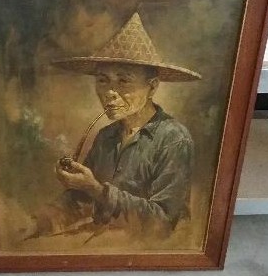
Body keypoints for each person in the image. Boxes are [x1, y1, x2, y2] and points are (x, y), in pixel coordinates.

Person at [51, 12, 201, 233]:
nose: (109, 93)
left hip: (146, 247)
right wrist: (42, 220)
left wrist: (96, 189)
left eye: (123, 81)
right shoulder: (105, 136)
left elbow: (164, 222)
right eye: (103, 80)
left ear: (152, 87)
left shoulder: (174, 139)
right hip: (98, 240)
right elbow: (80, 199)